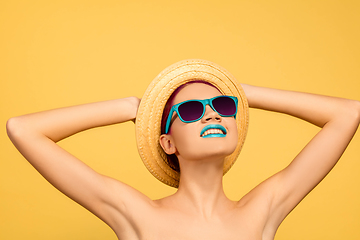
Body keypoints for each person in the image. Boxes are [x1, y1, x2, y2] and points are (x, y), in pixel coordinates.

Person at [6, 59, 360, 240]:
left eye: (222, 106)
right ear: (168, 143)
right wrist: (133, 107)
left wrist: (242, 91)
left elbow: (348, 114)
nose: (210, 113)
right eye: (191, 111)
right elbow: (23, 129)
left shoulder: (263, 208)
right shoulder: (135, 212)